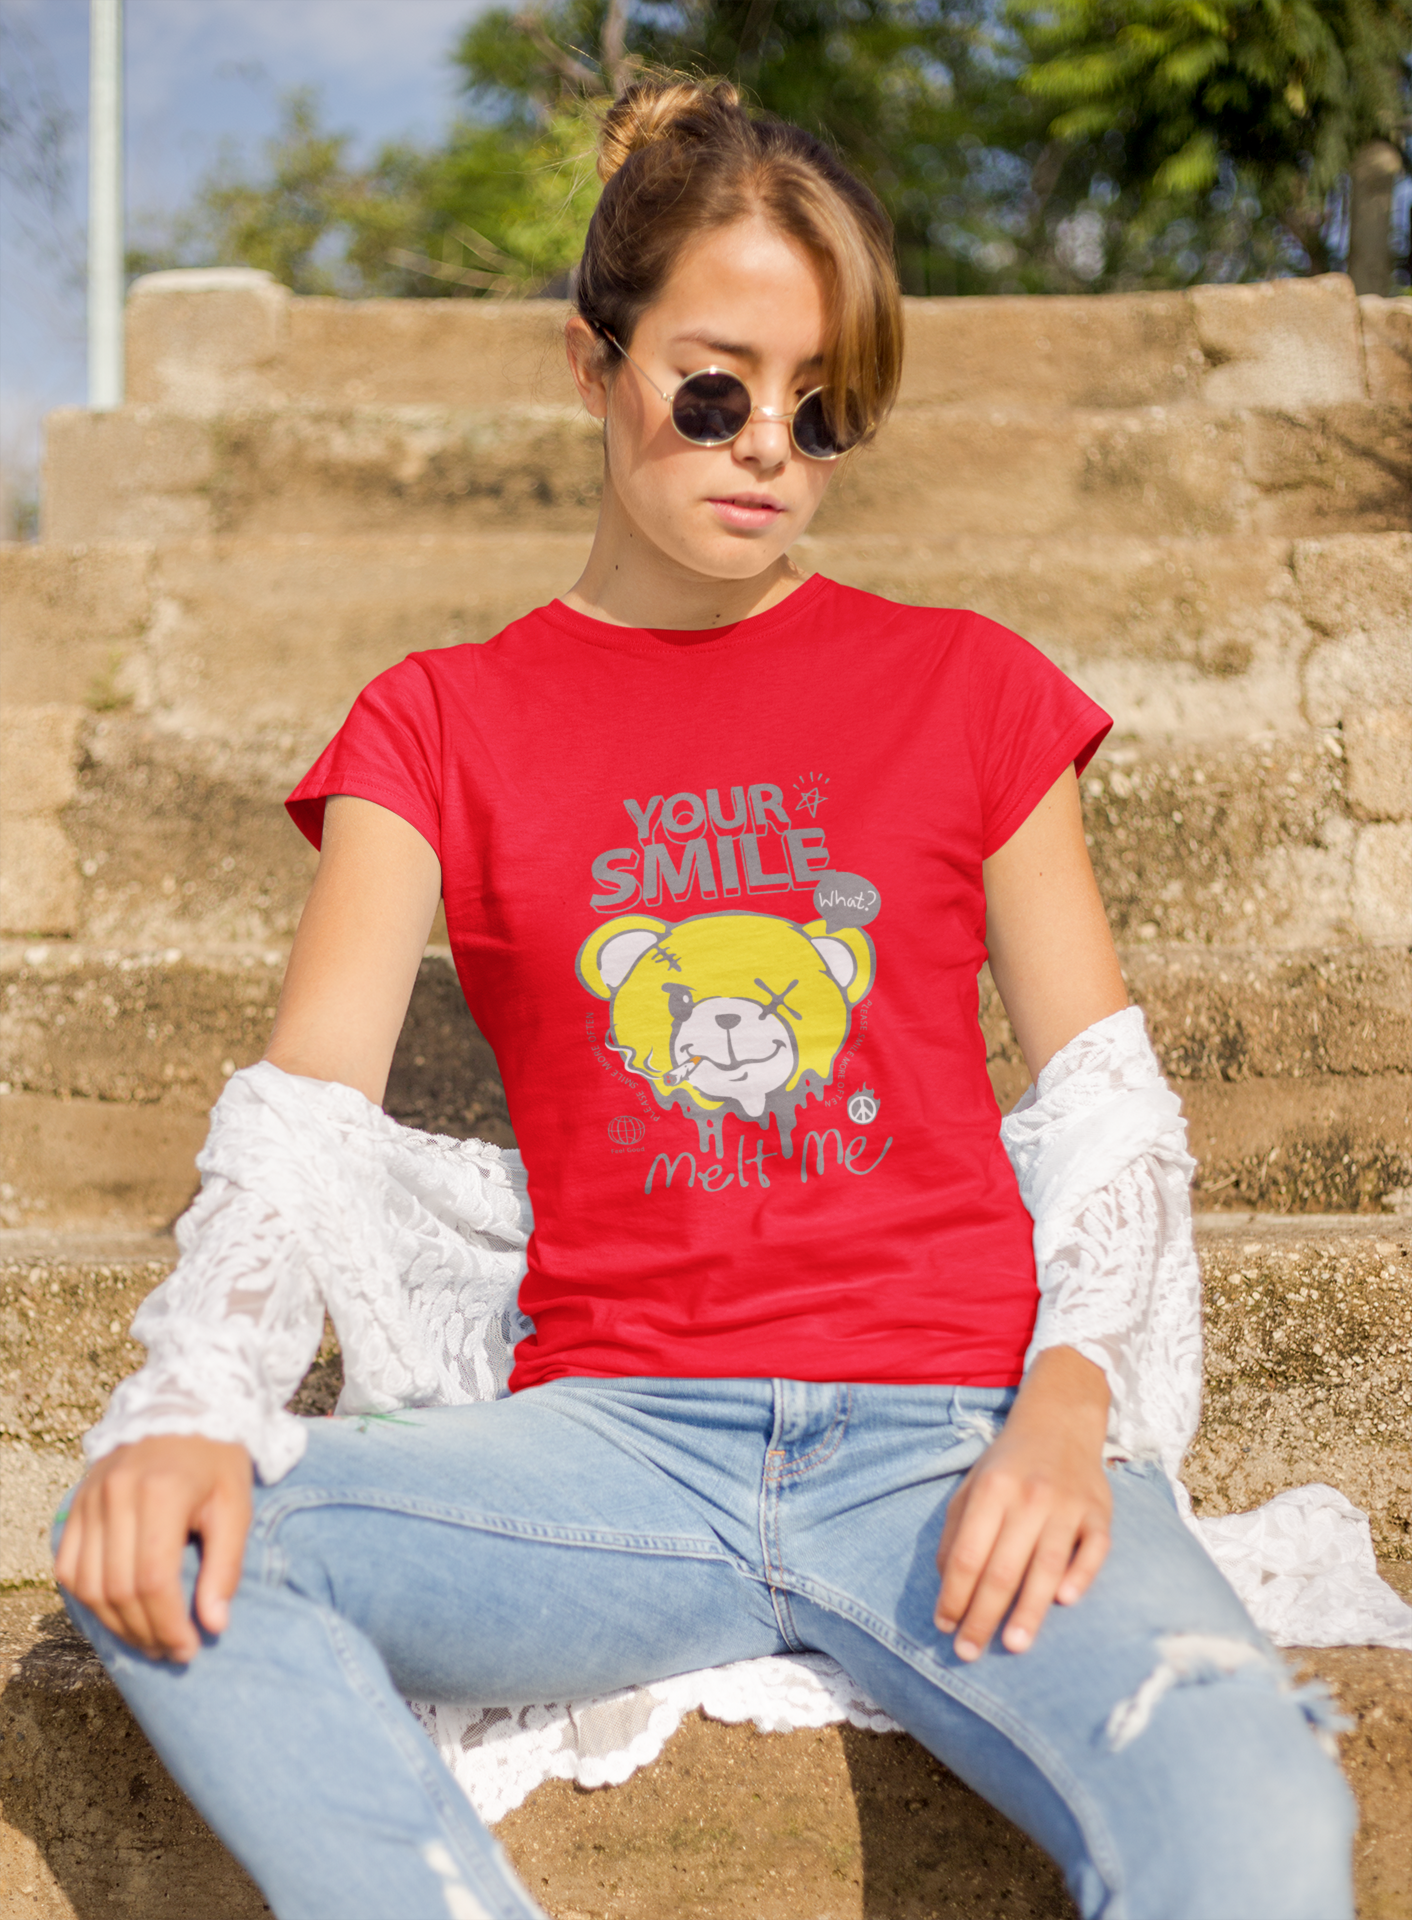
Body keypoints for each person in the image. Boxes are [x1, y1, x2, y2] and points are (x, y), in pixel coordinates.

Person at [54, 78, 1354, 1920]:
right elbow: (303, 1126)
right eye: (717, 385)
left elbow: (1112, 1106)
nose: (767, 450)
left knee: (1264, 1820)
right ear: (593, 363)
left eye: (825, 409)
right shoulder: (435, 725)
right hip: (613, 1452)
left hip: (957, 1435)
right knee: (153, 1531)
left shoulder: (973, 692)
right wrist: (192, 1395)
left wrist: (1073, 1406)